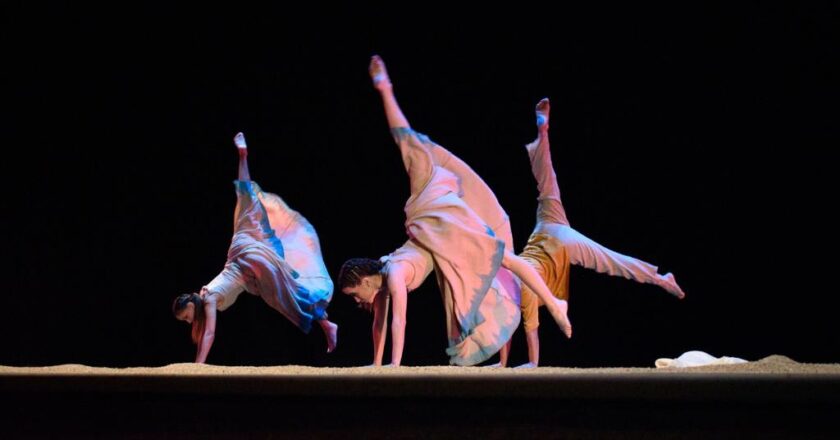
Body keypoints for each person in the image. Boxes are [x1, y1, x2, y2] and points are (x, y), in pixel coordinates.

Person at [337, 55, 571, 367]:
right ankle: (545, 312)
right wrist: (377, 365)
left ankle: (554, 304)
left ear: (364, 281)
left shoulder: (393, 272)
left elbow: (399, 322)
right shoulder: (383, 279)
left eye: (354, 295)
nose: (357, 302)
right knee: (491, 279)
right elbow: (379, 326)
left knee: (501, 262)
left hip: (443, 226)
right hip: (440, 241)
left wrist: (393, 366)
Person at [501, 97, 686, 368]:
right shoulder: (509, 282)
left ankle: (660, 279)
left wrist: (522, 365)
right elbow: (506, 328)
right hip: (546, 227)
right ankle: (543, 132)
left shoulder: (522, 295)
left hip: (561, 243)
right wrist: (503, 364)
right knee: (546, 182)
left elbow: (531, 342)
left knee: (610, 260)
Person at [172, 132, 337, 363]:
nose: (189, 321)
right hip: (240, 251)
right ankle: (242, 156)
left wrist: (197, 366)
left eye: (186, 317)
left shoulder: (208, 299)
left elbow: (209, 333)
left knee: (284, 295)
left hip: (247, 263)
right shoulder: (205, 293)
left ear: (190, 305)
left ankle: (327, 324)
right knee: (246, 202)